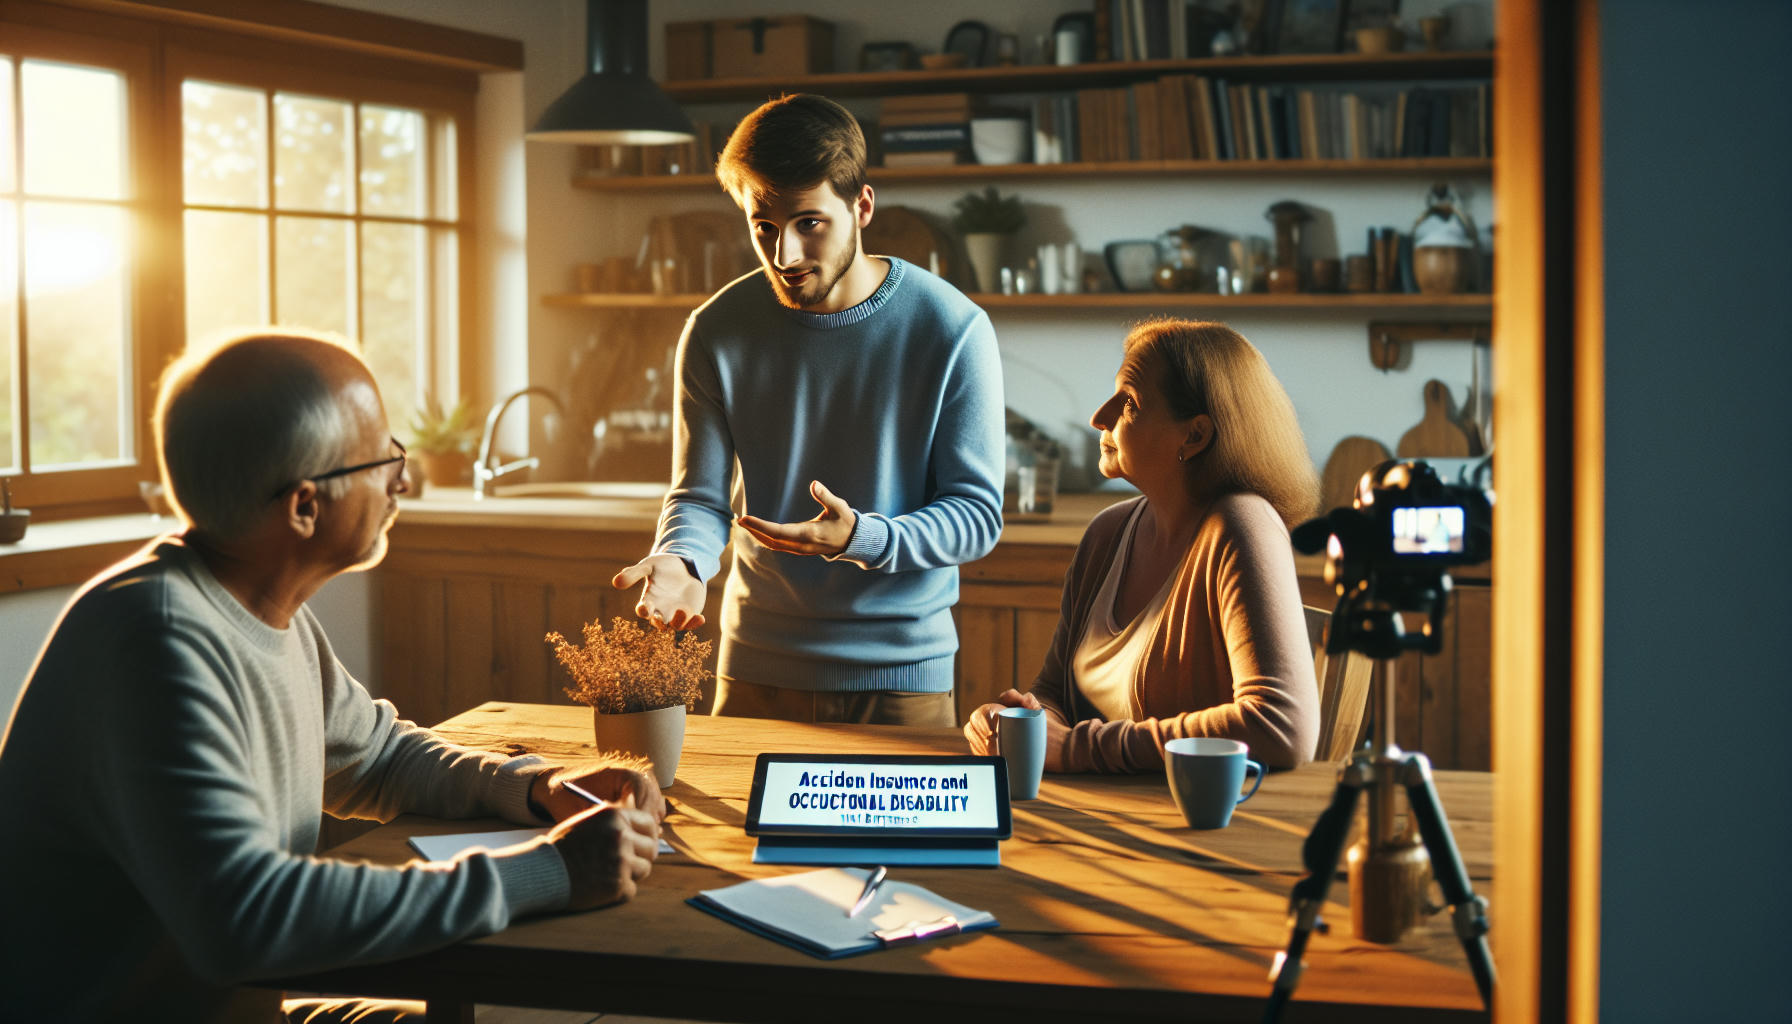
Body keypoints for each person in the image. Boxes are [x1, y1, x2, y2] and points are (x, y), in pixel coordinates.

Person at [0, 330, 664, 1022]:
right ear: (304, 507)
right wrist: (548, 873)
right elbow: (247, 919)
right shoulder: (156, 644)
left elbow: (377, 756)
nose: (403, 480)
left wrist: (535, 789)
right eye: (383, 460)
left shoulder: (257, 605)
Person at [611, 93, 1005, 728]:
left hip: (902, 675)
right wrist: (683, 561)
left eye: (809, 223)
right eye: (762, 225)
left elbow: (976, 517)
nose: (785, 255)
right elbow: (700, 498)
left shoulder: (952, 327)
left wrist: (860, 538)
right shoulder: (716, 330)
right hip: (758, 667)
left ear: (862, 207)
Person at [964, 319, 1321, 772]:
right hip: (1102, 815)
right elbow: (1054, 691)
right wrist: (1026, 723)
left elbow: (1280, 726)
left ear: (1194, 435)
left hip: (1205, 826)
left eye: (1129, 402)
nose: (1099, 416)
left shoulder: (1241, 525)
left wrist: (1074, 748)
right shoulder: (1107, 533)